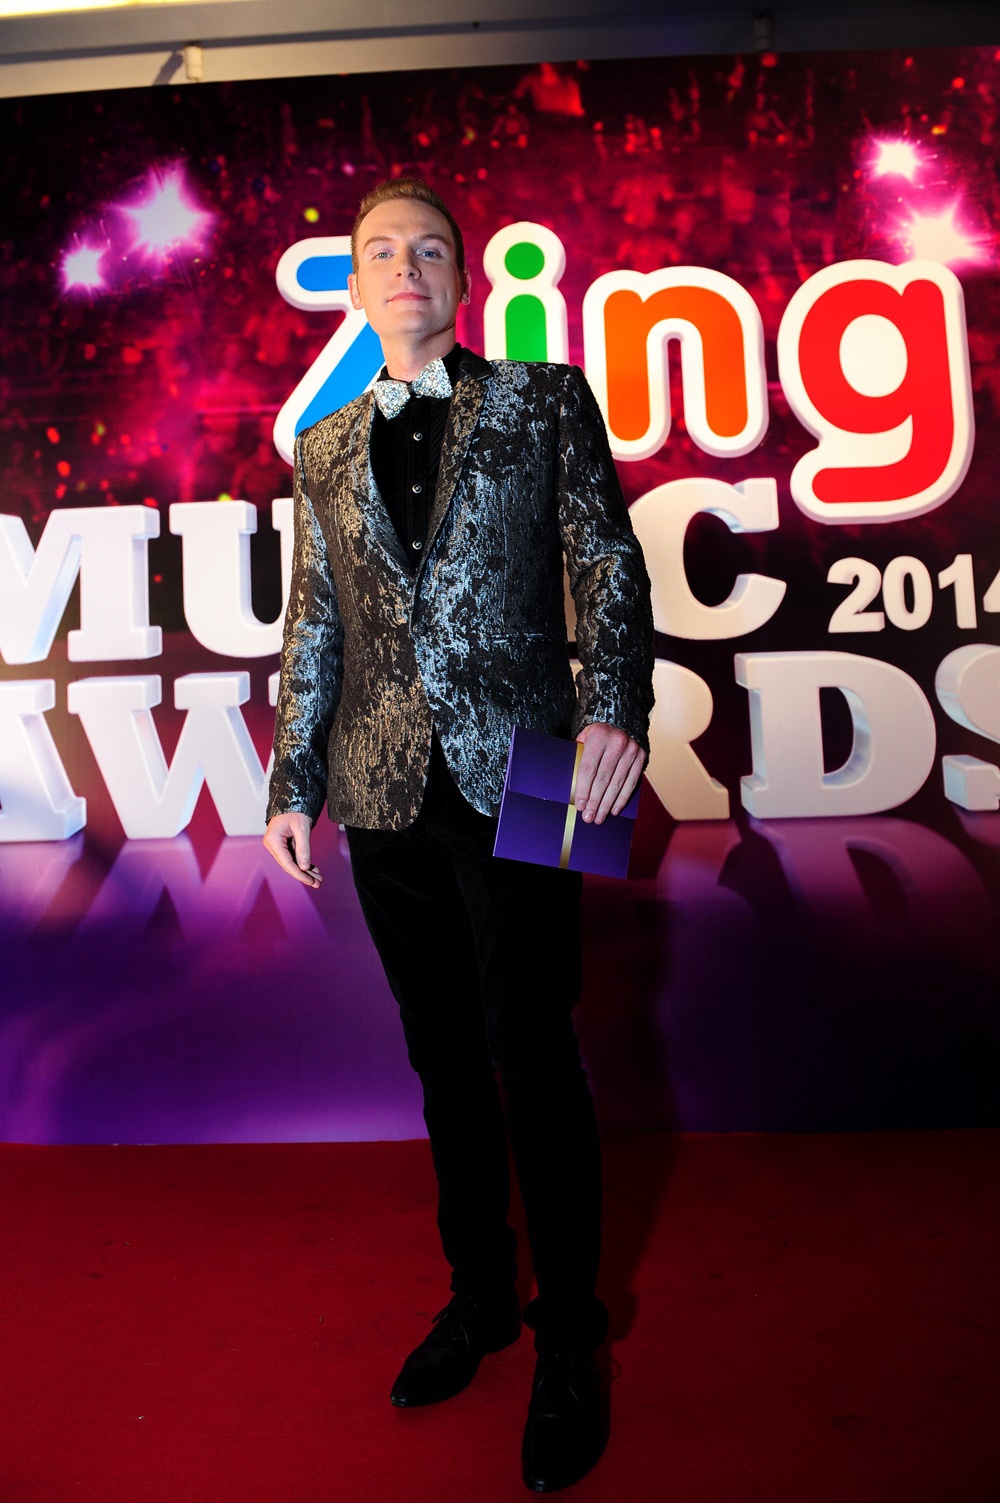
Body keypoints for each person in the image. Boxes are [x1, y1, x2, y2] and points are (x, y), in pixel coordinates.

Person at [263, 178, 654, 1493]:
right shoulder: (323, 445)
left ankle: (570, 1336)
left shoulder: (547, 399)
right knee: (442, 1055)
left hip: (540, 765)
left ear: (461, 279)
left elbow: (606, 561)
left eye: (430, 249)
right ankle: (480, 1299)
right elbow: (315, 624)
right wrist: (291, 782)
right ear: (357, 285)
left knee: (536, 1048)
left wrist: (616, 712)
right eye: (383, 251)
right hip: (379, 783)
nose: (408, 267)